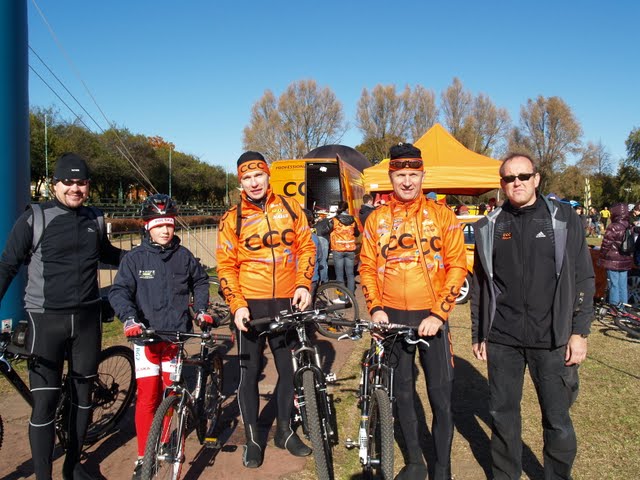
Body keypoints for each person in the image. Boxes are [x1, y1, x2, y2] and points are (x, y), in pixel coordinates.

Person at [470, 153, 594, 480]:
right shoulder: (489, 226)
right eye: (510, 178)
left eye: (523, 176)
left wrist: (579, 332)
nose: (517, 183)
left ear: (536, 179)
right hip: (503, 338)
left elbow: (583, 276)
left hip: (552, 338)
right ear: (502, 184)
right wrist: (479, 333)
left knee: (557, 419)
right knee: (503, 417)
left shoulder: (563, 219)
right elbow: (481, 285)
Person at [0, 153, 124, 480]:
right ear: (55, 184)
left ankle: (73, 467)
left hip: (87, 321)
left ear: (88, 185)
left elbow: (108, 255)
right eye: (68, 182)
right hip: (45, 322)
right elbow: (7, 265)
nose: (75, 188)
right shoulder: (35, 218)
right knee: (45, 404)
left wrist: (147, 257)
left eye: (81, 182)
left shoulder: (95, 219)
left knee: (83, 398)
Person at [359, 143, 467, 480]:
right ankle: (416, 462)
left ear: (423, 175)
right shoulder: (376, 219)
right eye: (400, 175)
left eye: (413, 174)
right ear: (390, 177)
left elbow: (458, 266)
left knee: (440, 398)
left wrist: (439, 314)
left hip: (432, 317)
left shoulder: (443, 215)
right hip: (391, 318)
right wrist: (376, 308)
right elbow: (366, 267)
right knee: (402, 395)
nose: (407, 181)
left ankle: (443, 469)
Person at [216, 151, 316, 468]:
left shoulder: (290, 208)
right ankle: (253, 438)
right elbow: (225, 266)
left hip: (286, 302)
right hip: (250, 306)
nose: (254, 182)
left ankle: (284, 431)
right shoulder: (232, 218)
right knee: (249, 374)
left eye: (258, 175)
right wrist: (237, 305)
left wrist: (303, 284)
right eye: (247, 178)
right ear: (240, 182)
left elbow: (307, 247)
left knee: (288, 370)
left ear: (268, 175)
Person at [108, 194, 214, 479]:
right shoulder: (134, 259)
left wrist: (201, 310)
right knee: (147, 397)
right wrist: (129, 319)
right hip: (146, 338)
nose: (165, 230)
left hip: (175, 338)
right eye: (158, 225)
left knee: (170, 391)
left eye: (169, 224)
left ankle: (165, 441)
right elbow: (119, 292)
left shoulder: (184, 256)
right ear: (147, 227)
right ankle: (144, 456)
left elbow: (200, 281)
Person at [598, 202, 633, 310]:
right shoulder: (629, 225)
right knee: (623, 285)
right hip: (625, 258)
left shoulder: (613, 226)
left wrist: (601, 256)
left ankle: (614, 308)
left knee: (614, 284)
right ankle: (622, 308)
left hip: (612, 259)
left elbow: (606, 244)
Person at [329, 201, 360, 299]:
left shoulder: (334, 220)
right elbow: (357, 233)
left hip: (338, 249)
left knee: (339, 275)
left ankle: (342, 297)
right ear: (347, 208)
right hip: (350, 249)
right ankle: (351, 296)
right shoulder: (353, 220)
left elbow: (328, 230)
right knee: (350, 274)